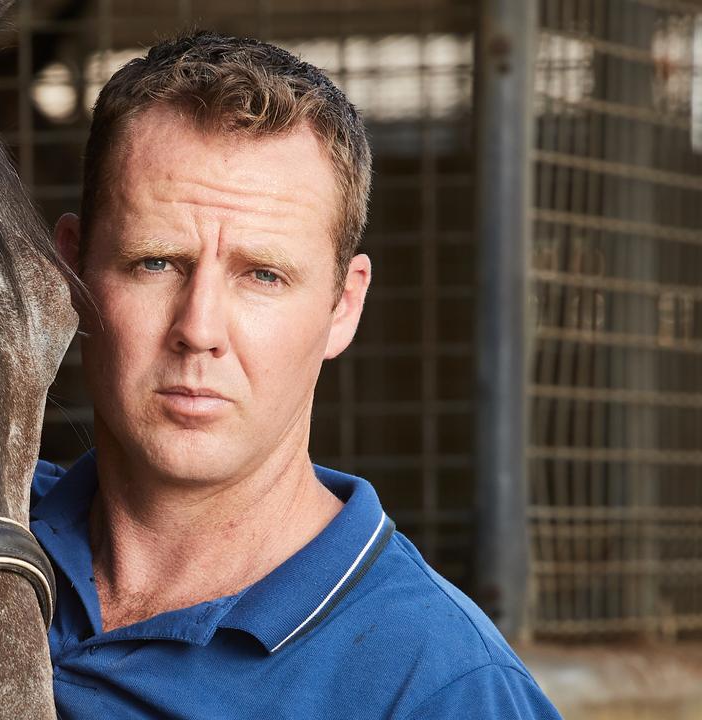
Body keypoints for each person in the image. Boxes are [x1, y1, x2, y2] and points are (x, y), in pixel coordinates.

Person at [31, 33, 560, 719]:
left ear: (344, 306)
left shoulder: (443, 686)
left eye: (263, 275)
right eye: (156, 262)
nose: (200, 328)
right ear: (70, 272)